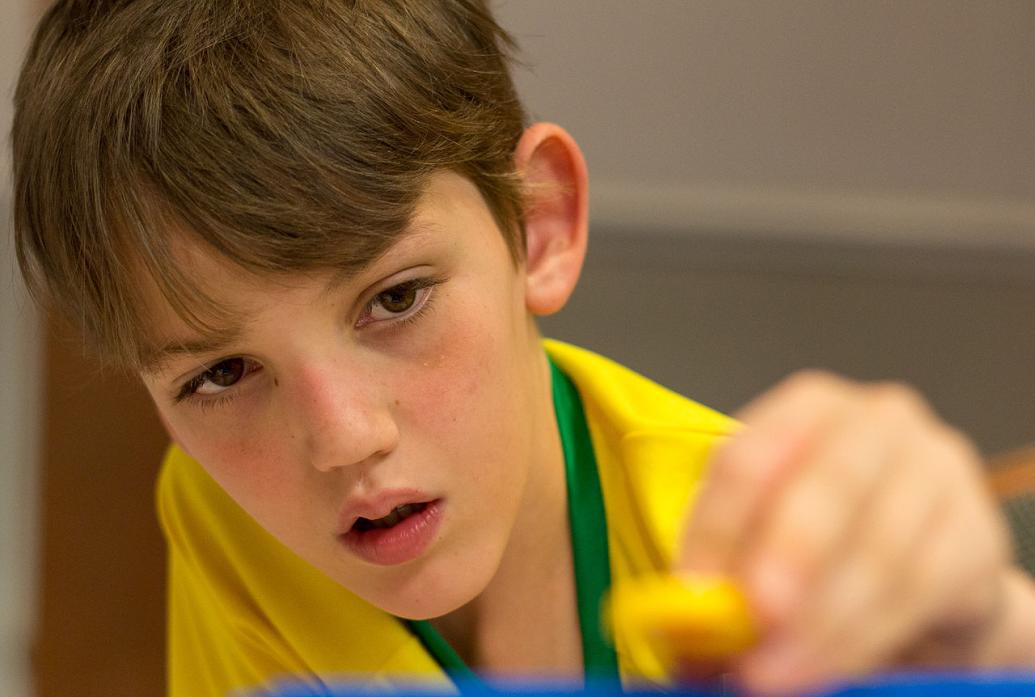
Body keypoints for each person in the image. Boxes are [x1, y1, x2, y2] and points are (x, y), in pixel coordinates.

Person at [11, 2, 1035, 696]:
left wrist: (991, 637)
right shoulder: (220, 514)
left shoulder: (765, 566)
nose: (341, 440)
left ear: (538, 226)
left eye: (396, 297)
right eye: (222, 373)